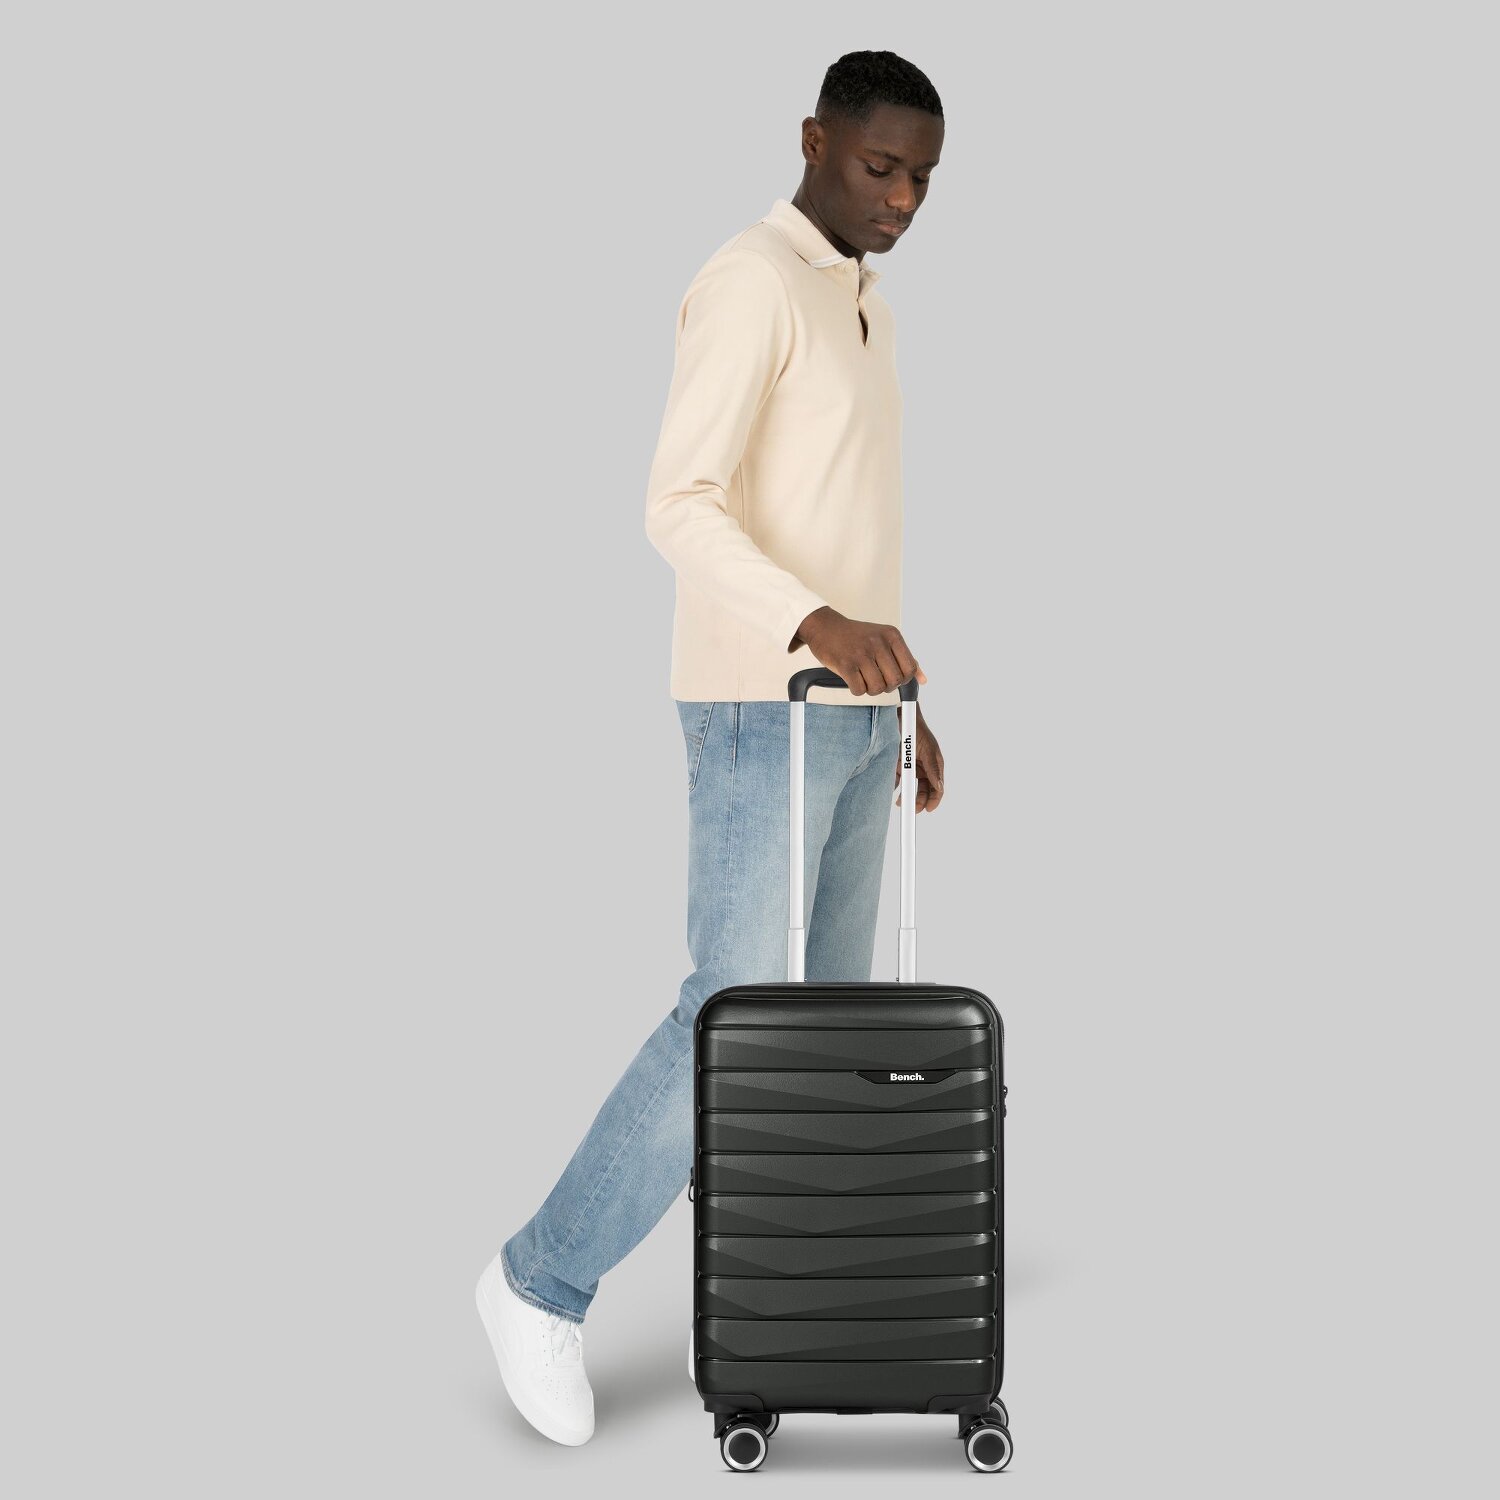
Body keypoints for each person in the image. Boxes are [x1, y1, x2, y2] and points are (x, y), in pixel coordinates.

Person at [475, 50, 948, 1446]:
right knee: (733, 1020)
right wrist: (816, 626)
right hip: (758, 705)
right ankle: (538, 1282)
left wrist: (904, 700)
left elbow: (843, 524)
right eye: (880, 166)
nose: (903, 198)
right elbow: (677, 504)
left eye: (924, 178)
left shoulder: (863, 301)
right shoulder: (750, 282)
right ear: (813, 139)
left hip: (854, 714)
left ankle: (782, 1303)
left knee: (826, 1035)